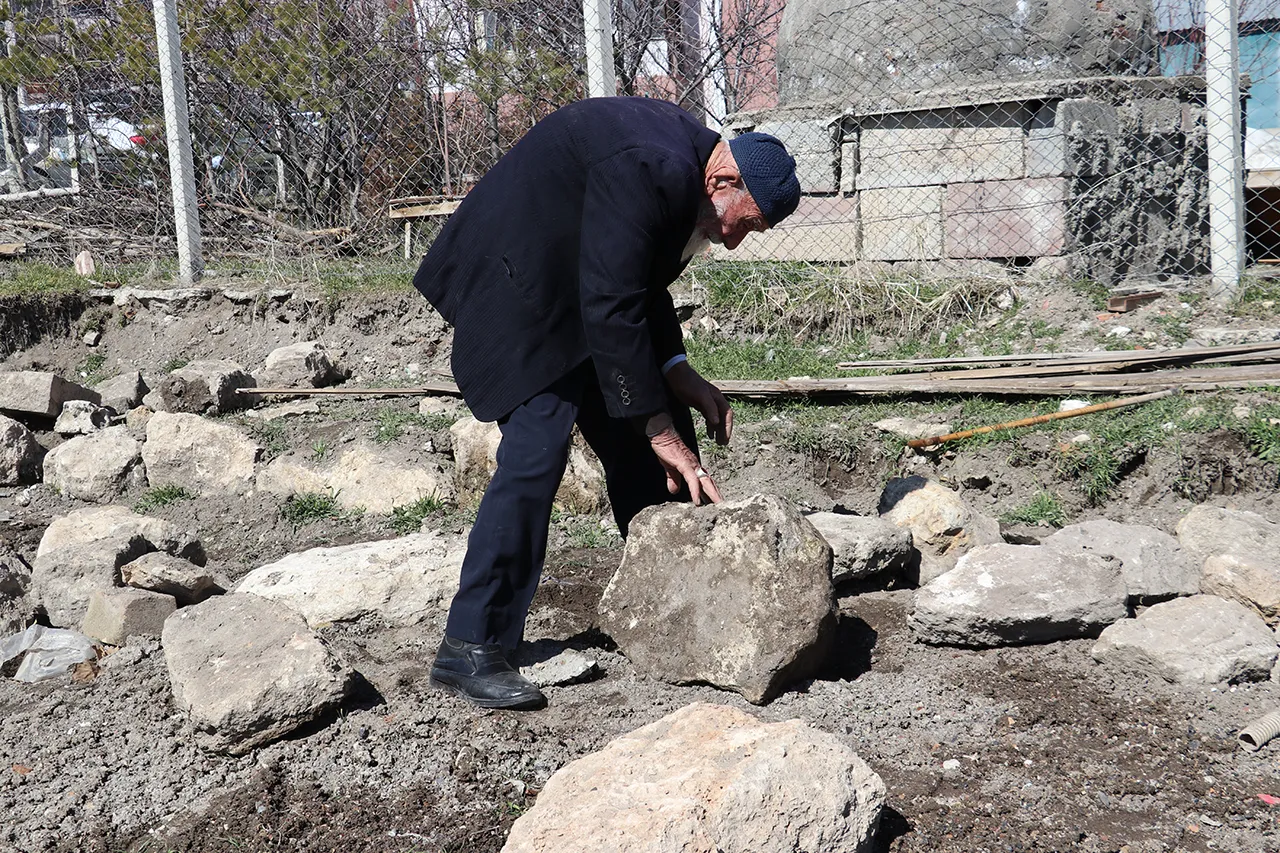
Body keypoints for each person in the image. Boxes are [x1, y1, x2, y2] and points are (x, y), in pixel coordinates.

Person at [413, 96, 801, 710]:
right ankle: (471, 646)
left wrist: (679, 375)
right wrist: (657, 425)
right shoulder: (653, 168)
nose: (732, 243)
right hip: (519, 282)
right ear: (723, 180)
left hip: (577, 287)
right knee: (538, 448)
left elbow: (632, 280)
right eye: (743, 224)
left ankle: (672, 608)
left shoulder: (688, 173)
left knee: (656, 445)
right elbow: (614, 302)